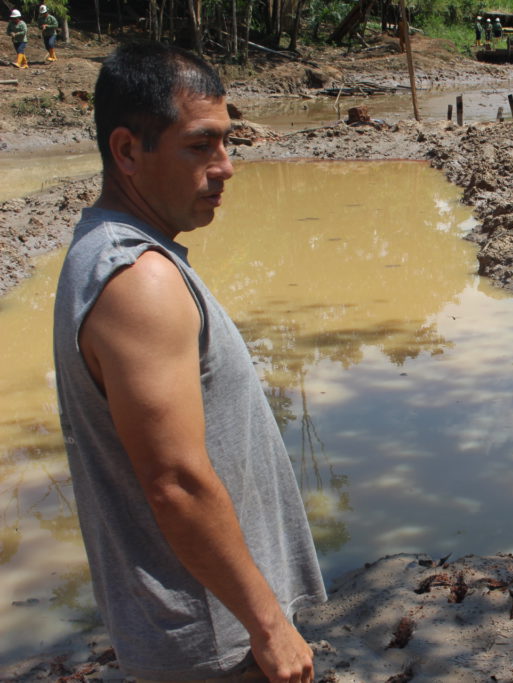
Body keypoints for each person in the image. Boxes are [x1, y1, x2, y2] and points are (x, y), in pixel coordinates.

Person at [52, 41, 326, 682]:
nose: (226, 166)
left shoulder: (120, 254)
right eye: (200, 145)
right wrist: (269, 626)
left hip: (210, 627)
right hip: (215, 643)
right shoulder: (137, 282)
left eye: (227, 142)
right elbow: (175, 482)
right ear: (127, 151)